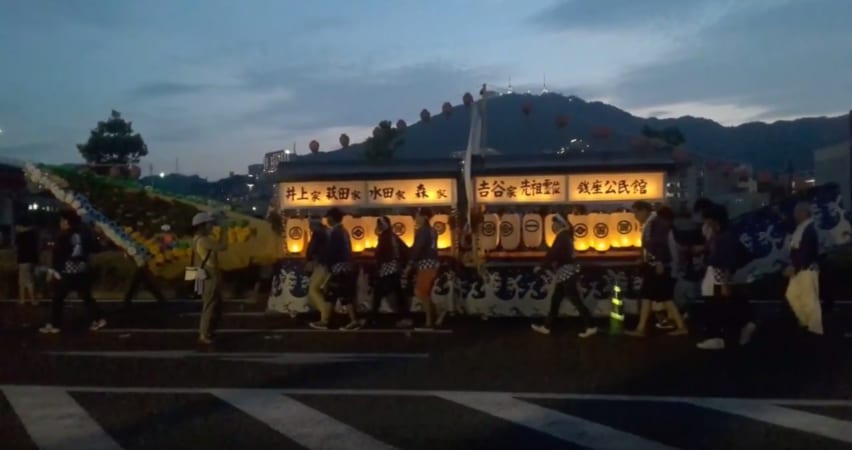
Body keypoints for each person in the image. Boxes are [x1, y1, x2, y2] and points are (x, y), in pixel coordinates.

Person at [696, 205, 757, 350]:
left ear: (714, 221)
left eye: (707, 220)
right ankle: (745, 325)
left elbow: (725, 262)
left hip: (718, 276)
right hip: (721, 275)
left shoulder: (722, 238)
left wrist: (724, 283)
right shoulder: (723, 236)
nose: (705, 224)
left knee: (716, 305)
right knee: (725, 304)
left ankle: (718, 337)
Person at [625, 202, 688, 337]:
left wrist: (659, 261)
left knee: (658, 296)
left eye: (636, 212)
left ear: (644, 211)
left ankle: (642, 328)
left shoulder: (655, 223)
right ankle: (642, 328)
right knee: (655, 296)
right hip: (655, 265)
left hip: (657, 266)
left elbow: (659, 244)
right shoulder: (653, 223)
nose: (635, 216)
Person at [39, 210, 106, 334]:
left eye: (62, 220)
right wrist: (98, 235)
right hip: (82, 270)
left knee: (58, 297)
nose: (60, 223)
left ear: (67, 221)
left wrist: (52, 271)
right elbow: (96, 248)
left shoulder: (64, 235)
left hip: (67, 271)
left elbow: (58, 255)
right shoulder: (85, 233)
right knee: (85, 296)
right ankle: (98, 319)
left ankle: (55, 324)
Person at [531, 213, 597, 337]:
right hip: (565, 272)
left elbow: (553, 253)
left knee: (575, 300)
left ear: (561, 224)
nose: (553, 226)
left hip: (566, 273)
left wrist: (542, 266)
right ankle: (547, 326)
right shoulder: (565, 236)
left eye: (555, 223)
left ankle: (591, 326)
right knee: (556, 300)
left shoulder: (562, 236)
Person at [317, 207, 362, 331]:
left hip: (339, 269)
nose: (326, 220)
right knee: (333, 295)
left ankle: (352, 321)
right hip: (344, 267)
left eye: (328, 217)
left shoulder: (336, 232)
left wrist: (325, 262)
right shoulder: (343, 231)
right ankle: (325, 321)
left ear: (332, 218)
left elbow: (332, 252)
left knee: (342, 296)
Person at [784, 201, 823, 335]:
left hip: (806, 268)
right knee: (792, 295)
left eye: (797, 212)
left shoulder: (809, 230)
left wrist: (795, 267)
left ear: (804, 213)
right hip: (800, 268)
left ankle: (814, 329)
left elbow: (806, 251)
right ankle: (805, 322)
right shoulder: (802, 228)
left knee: (809, 300)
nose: (795, 215)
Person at [368, 216, 411, 328]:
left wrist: (377, 266)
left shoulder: (384, 237)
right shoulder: (393, 237)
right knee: (398, 294)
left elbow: (379, 255)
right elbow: (405, 250)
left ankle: (373, 318)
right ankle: (405, 317)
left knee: (378, 293)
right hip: (395, 268)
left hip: (387, 270)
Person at [192, 211, 228, 344]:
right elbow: (222, 246)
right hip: (210, 274)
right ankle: (204, 334)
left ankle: (208, 331)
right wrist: (224, 229)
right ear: (203, 225)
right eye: (210, 224)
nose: (212, 226)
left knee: (214, 303)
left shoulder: (197, 238)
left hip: (205, 273)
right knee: (210, 304)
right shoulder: (203, 240)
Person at [404, 207, 442, 330]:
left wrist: (409, 264)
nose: (416, 218)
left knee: (421, 292)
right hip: (433, 262)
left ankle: (429, 321)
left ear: (424, 217)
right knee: (426, 293)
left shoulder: (422, 231)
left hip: (426, 264)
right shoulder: (433, 231)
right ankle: (435, 316)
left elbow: (417, 249)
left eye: (417, 215)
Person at [305, 217, 331, 329]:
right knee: (322, 291)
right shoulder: (328, 231)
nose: (309, 227)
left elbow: (311, 249)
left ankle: (324, 318)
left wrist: (308, 259)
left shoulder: (318, 233)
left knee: (313, 290)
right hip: (329, 264)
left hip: (323, 264)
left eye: (310, 225)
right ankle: (325, 315)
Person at [15, 215, 39, 305]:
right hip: (31, 260)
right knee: (25, 280)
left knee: (25, 281)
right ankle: (24, 299)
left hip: (23, 260)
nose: (16, 228)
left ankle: (30, 300)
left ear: (21, 226)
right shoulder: (32, 234)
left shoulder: (21, 236)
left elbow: (17, 248)